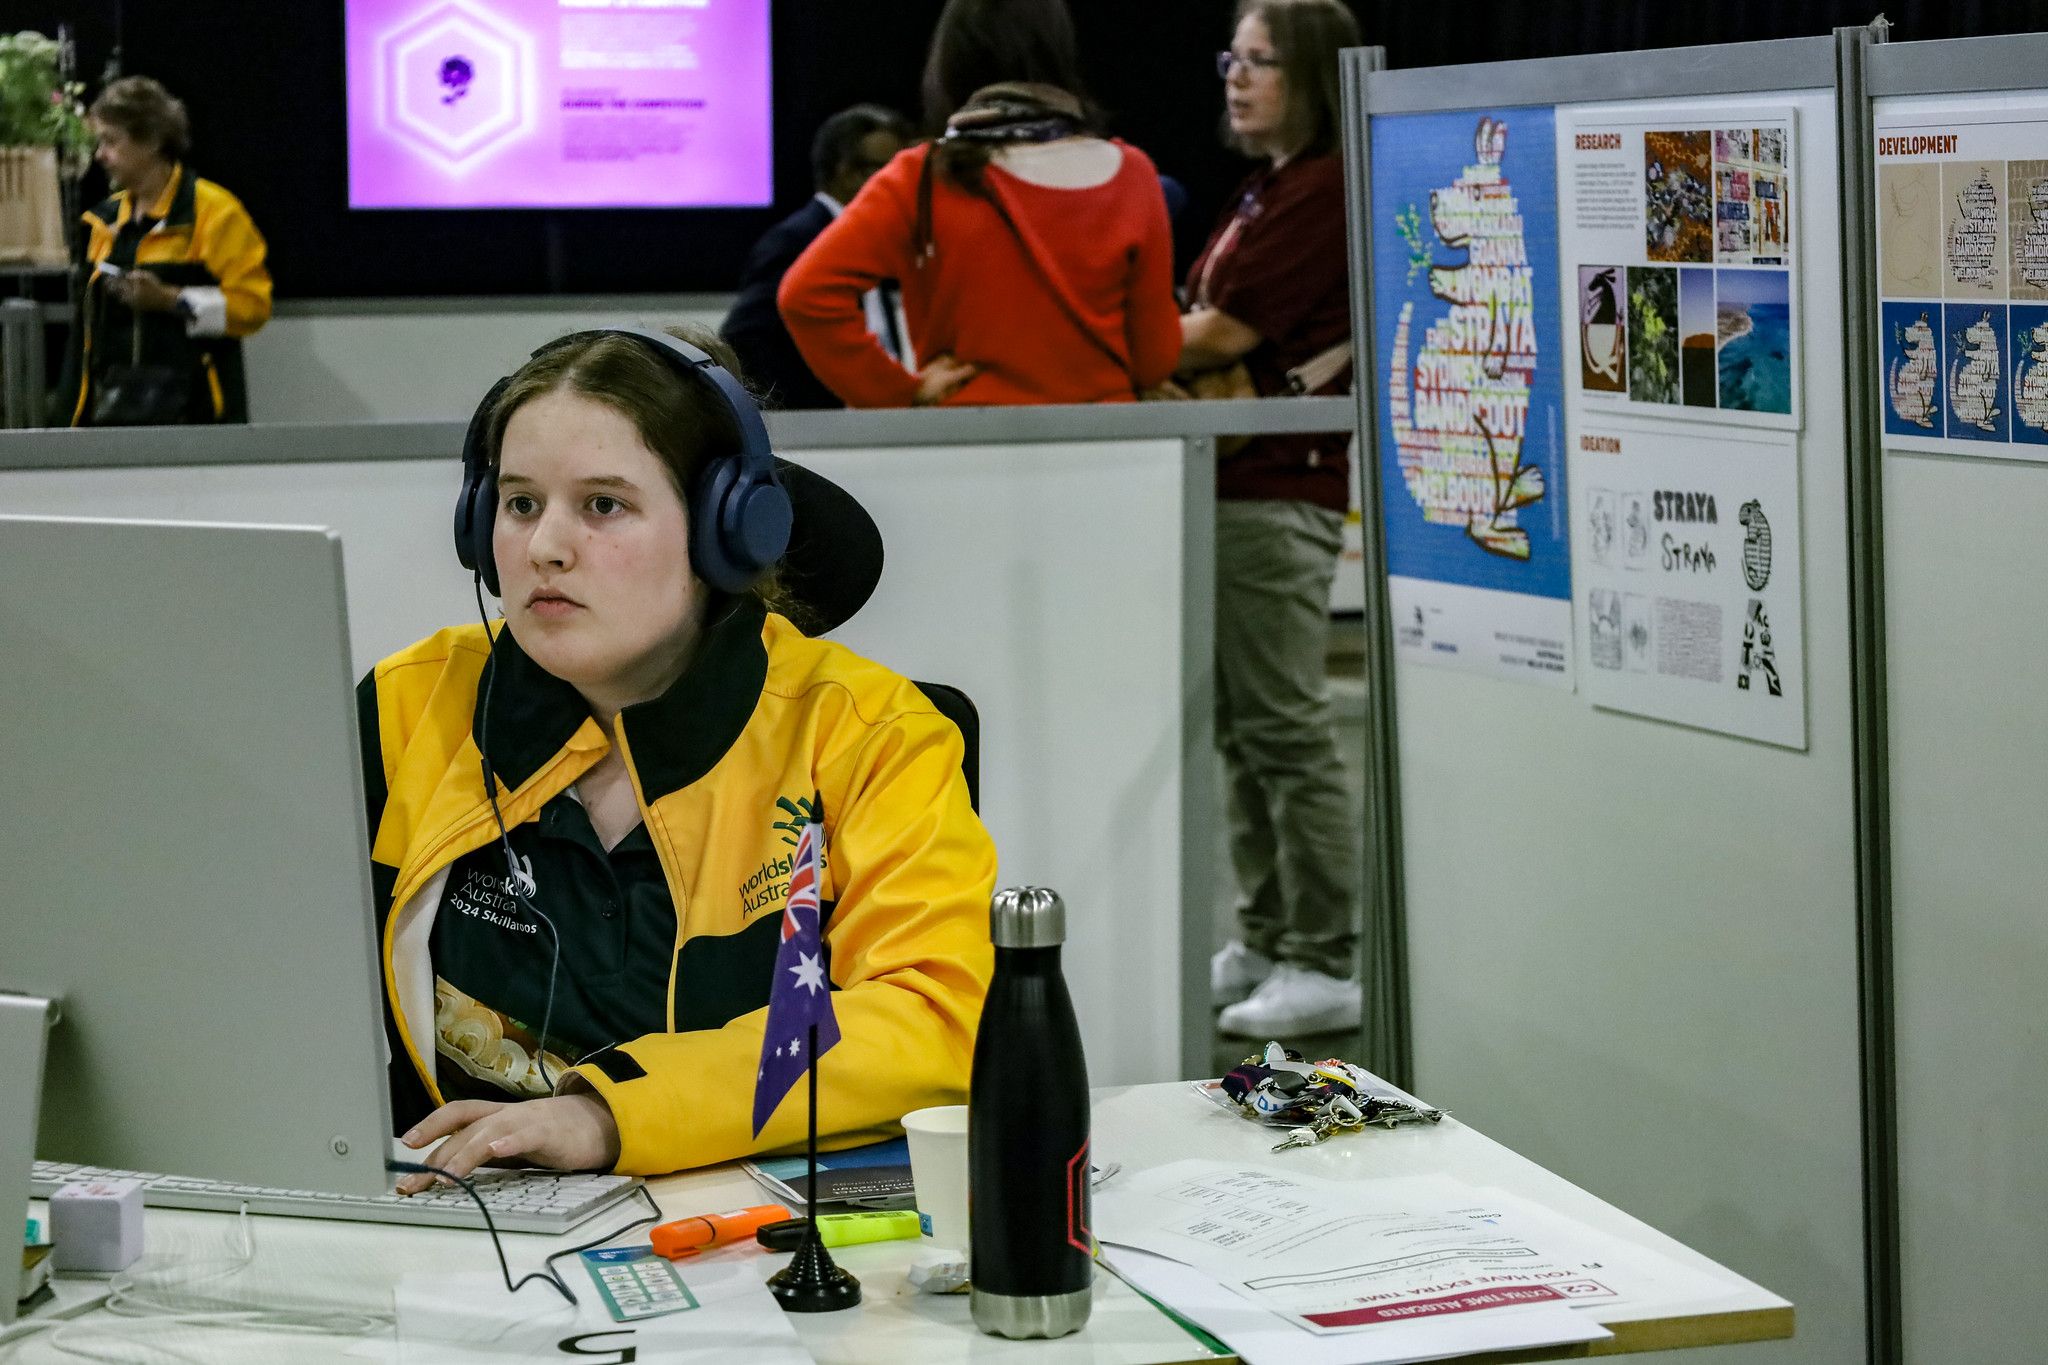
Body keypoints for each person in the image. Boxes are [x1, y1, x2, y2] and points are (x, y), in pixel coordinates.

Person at [357, 324, 997, 1183]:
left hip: (751, 1236)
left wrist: (608, 1115)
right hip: (457, 1227)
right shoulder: (407, 707)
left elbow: (936, 1019)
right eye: (519, 503)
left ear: (724, 531)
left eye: (602, 504)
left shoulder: (871, 734)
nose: (545, 545)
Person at [1182, 0, 1364, 1038]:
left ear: (1310, 74)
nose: (1237, 79)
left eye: (1261, 62)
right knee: (1246, 735)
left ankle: (1323, 957)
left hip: (1274, 490)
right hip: (1232, 483)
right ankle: (1263, 934)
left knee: (1285, 731)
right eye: (1231, 59)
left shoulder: (1320, 188)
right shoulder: (1267, 188)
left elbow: (1217, 333)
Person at [778, 0, 1180, 407]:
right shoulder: (1133, 172)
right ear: (1060, 53)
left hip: (968, 444)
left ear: (950, 63)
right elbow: (1155, 360)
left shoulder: (921, 176)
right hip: (1114, 445)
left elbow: (805, 295)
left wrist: (899, 394)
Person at [59, 76, 271, 426]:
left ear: (153, 141)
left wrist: (171, 300)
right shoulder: (101, 222)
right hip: (111, 422)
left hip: (199, 423)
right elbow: (84, 342)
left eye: (111, 141)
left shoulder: (216, 213)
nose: (100, 156)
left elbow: (253, 308)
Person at [720, 104, 914, 410]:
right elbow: (745, 341)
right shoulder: (797, 240)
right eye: (889, 171)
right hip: (824, 433)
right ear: (846, 172)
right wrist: (802, 417)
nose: (904, 185)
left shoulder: (871, 240)